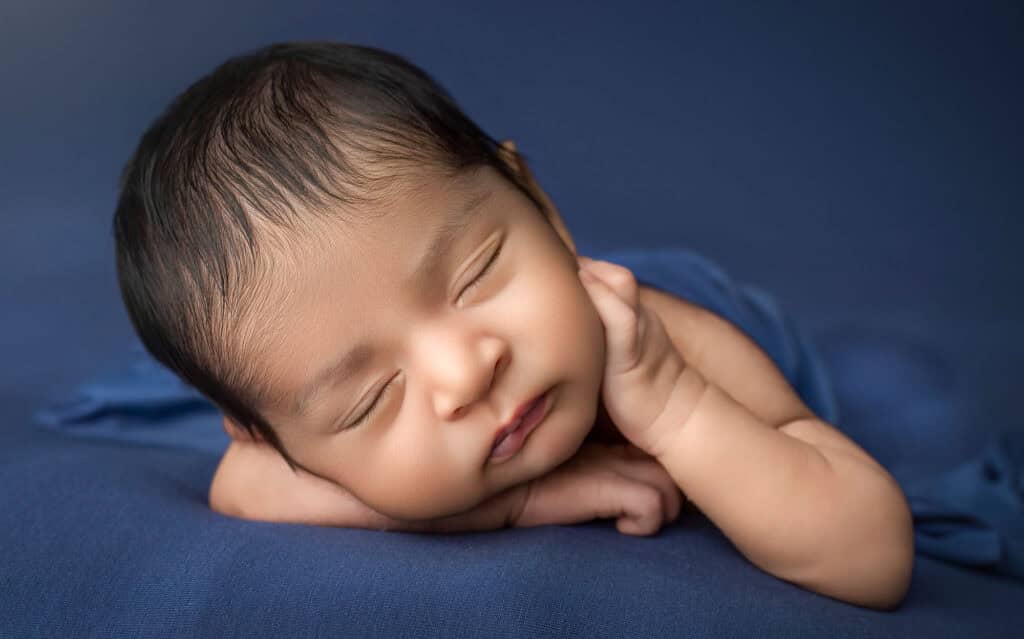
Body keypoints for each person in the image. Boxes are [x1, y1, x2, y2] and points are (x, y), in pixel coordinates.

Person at [113, 41, 913, 610]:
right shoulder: (269, 447)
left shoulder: (668, 344)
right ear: (268, 437)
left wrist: (675, 406)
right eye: (369, 399)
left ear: (540, 202)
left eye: (474, 275)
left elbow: (873, 555)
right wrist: (516, 502)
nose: (466, 373)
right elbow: (240, 487)